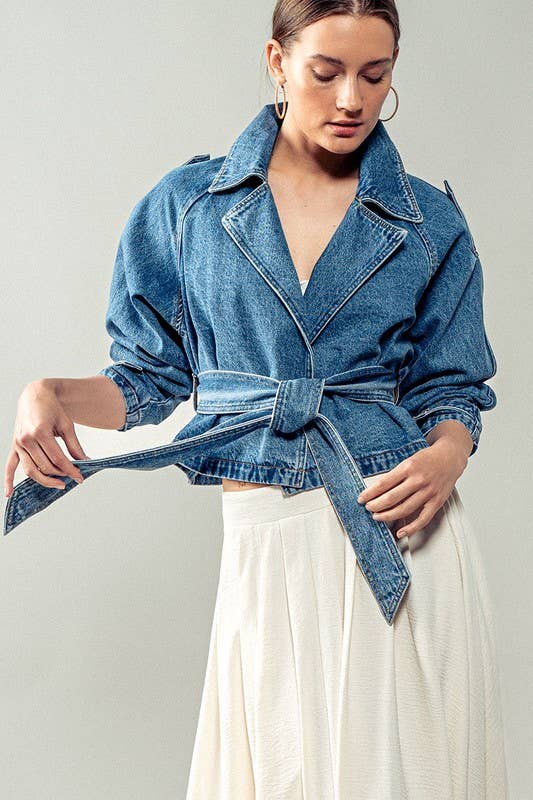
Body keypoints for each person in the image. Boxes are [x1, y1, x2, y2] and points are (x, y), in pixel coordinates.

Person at [4, 1, 510, 797]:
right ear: (276, 61)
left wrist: (447, 455)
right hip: (265, 539)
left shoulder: (427, 220)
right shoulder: (190, 206)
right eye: (326, 72)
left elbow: (450, 386)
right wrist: (49, 394)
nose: (351, 99)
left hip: (397, 531)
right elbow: (148, 380)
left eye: (374, 75)